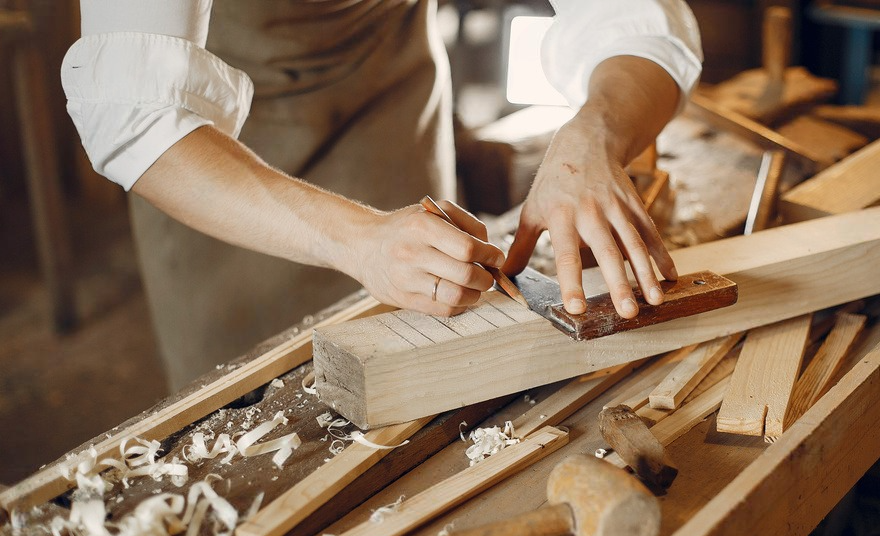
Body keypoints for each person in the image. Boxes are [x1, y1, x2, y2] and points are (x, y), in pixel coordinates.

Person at [62, 0, 703, 390]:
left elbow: (639, 23)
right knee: (260, 424)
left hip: (390, 92)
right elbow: (135, 118)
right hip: (212, 160)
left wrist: (596, 130)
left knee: (428, 369)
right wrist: (361, 240)